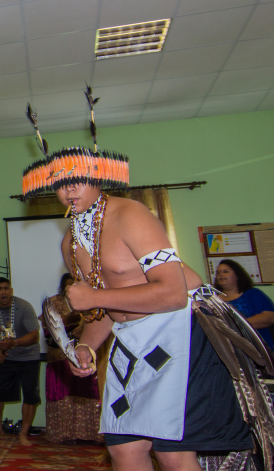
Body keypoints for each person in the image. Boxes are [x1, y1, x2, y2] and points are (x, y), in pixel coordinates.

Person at [21, 90, 256, 471]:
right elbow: (104, 309)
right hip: (130, 341)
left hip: (180, 329)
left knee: (172, 452)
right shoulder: (70, 243)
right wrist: (86, 345)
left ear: (97, 177)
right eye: (60, 183)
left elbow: (173, 293)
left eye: (77, 180)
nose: (69, 189)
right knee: (124, 450)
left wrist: (93, 297)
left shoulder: (130, 214)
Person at [41, 273, 100, 444]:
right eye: (67, 285)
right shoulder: (54, 302)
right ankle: (64, 434)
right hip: (59, 358)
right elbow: (48, 330)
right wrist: (66, 320)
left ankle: (91, 435)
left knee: (87, 393)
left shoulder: (91, 300)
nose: (70, 288)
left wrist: (83, 329)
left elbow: (99, 324)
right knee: (62, 396)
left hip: (84, 355)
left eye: (74, 284)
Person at [0, 276, 40, 446]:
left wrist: (14, 343)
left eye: (6, 288)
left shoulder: (24, 306)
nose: (3, 292)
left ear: (11, 291)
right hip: (6, 357)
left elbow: (34, 336)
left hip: (28, 357)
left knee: (30, 395)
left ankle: (24, 433)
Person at [215, 259, 274, 349]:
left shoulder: (253, 294)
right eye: (218, 273)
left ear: (237, 275)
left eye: (226, 271)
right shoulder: (213, 299)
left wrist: (236, 325)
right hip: (228, 350)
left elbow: (269, 318)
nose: (221, 275)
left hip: (258, 349)